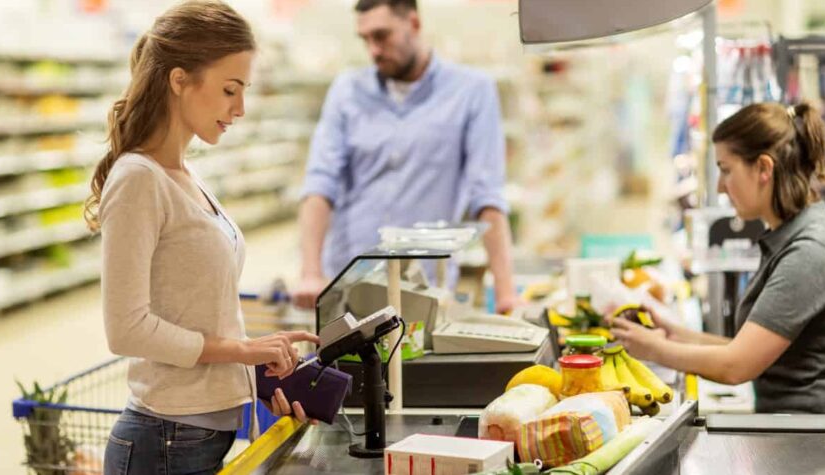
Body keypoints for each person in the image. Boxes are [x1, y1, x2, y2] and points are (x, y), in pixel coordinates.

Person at [85, 3, 319, 473]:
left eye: (244, 91)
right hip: (163, 441)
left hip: (196, 435)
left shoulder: (186, 174)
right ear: (179, 79)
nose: (241, 108)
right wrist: (242, 350)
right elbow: (126, 329)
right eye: (230, 89)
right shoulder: (138, 178)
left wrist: (257, 365)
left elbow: (193, 309)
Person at [612, 102, 825, 414]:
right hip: (797, 425)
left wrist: (654, 349)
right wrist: (676, 335)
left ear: (764, 169)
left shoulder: (810, 249)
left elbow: (736, 366)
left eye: (726, 170)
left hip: (815, 435)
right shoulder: (791, 236)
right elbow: (745, 349)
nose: (720, 186)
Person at [293, 0, 518, 313]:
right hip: (347, 284)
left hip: (424, 289)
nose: (373, 50)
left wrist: (506, 294)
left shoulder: (472, 91)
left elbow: (487, 196)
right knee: (345, 365)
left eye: (382, 36)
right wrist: (311, 274)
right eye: (365, 39)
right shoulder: (347, 90)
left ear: (413, 23)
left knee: (417, 363)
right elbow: (320, 183)